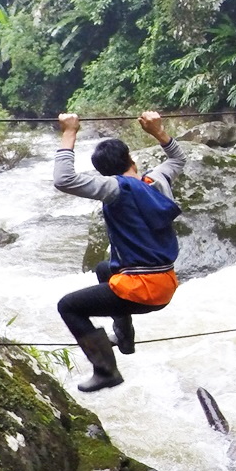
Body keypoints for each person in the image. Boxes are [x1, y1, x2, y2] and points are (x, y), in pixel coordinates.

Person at [53, 111, 185, 392]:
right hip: (166, 283)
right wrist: (158, 132)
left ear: (103, 174)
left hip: (142, 291)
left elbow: (64, 180)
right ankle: (124, 338)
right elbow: (177, 159)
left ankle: (106, 371)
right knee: (104, 268)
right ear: (132, 160)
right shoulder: (157, 180)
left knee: (68, 306)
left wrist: (69, 133)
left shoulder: (114, 188)